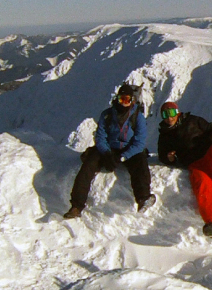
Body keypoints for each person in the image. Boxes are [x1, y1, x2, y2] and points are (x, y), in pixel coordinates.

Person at [63, 83, 155, 218]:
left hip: (129, 149)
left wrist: (123, 157)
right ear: (117, 99)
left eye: (127, 100)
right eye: (121, 99)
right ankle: (76, 206)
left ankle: (143, 198)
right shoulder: (107, 115)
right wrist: (106, 153)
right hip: (109, 148)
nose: (124, 103)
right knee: (88, 166)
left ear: (132, 101)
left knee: (140, 163)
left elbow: (139, 142)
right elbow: (100, 136)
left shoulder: (137, 117)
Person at [156, 101, 212, 239]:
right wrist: (169, 158)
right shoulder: (165, 135)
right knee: (202, 185)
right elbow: (162, 155)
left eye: (171, 113)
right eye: (165, 114)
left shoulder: (193, 121)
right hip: (196, 164)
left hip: (210, 153)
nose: (169, 118)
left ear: (177, 112)